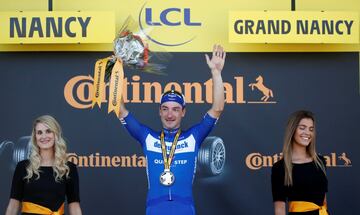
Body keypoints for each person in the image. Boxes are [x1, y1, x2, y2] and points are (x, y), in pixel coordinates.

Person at [118, 44, 226, 215]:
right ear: (159, 111)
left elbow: (217, 108)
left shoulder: (193, 137)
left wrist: (216, 73)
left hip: (185, 209)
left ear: (183, 112)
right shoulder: (147, 137)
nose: (170, 114)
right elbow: (120, 109)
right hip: (154, 209)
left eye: (175, 109)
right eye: (165, 108)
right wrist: (115, 72)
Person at [5, 115, 82, 215]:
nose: (44, 136)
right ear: (35, 137)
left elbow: (74, 206)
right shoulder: (23, 167)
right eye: (39, 132)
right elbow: (13, 204)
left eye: (48, 131)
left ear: (56, 134)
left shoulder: (68, 168)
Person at [271, 110, 329, 215]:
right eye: (302, 128)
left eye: (311, 129)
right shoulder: (280, 168)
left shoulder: (320, 162)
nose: (307, 133)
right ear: (292, 130)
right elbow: (279, 209)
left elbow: (324, 201)